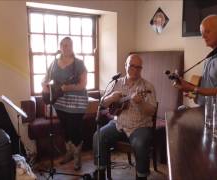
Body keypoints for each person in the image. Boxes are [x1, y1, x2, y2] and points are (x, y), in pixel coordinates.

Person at [92, 54, 157, 180]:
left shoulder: (147, 87)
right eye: (132, 66)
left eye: (139, 67)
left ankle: (141, 176)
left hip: (140, 126)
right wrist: (111, 98)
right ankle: (100, 173)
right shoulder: (116, 83)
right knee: (98, 135)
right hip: (118, 124)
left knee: (141, 143)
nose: (135, 70)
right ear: (125, 65)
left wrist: (141, 103)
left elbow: (151, 111)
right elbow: (102, 103)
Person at [173, 14, 217, 105]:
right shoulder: (211, 56)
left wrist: (193, 89)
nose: (203, 37)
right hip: (204, 110)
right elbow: (209, 86)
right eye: (202, 33)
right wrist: (191, 90)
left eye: (207, 32)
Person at [41, 37, 88, 170]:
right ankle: (69, 153)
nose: (66, 47)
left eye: (69, 45)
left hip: (76, 103)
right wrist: (44, 85)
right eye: (64, 45)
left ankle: (77, 157)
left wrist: (68, 88)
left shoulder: (79, 63)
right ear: (60, 47)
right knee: (66, 130)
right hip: (60, 102)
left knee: (75, 131)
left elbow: (83, 84)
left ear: (72, 47)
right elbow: (45, 79)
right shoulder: (54, 62)